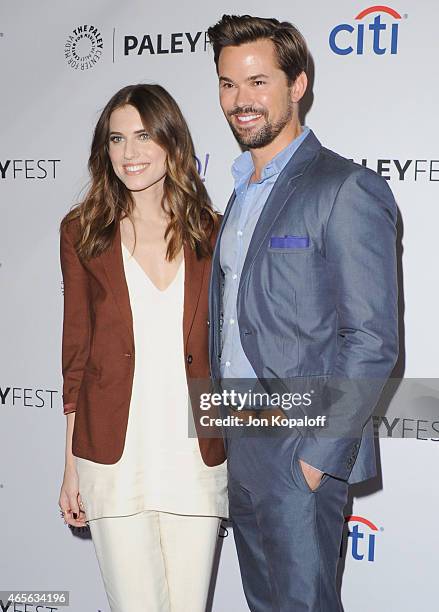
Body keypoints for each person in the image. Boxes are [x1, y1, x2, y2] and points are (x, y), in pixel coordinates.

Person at [206, 14, 398, 611]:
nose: (242, 101)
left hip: (300, 444)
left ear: (298, 85)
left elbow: (371, 338)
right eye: (229, 84)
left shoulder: (344, 188)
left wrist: (317, 458)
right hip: (240, 433)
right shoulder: (238, 193)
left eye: (259, 82)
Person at [57, 83, 228, 612]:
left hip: (194, 455)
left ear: (172, 142)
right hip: (113, 455)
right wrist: (70, 466)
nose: (129, 153)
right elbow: (77, 354)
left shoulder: (213, 232)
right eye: (116, 139)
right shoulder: (83, 233)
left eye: (143, 136)